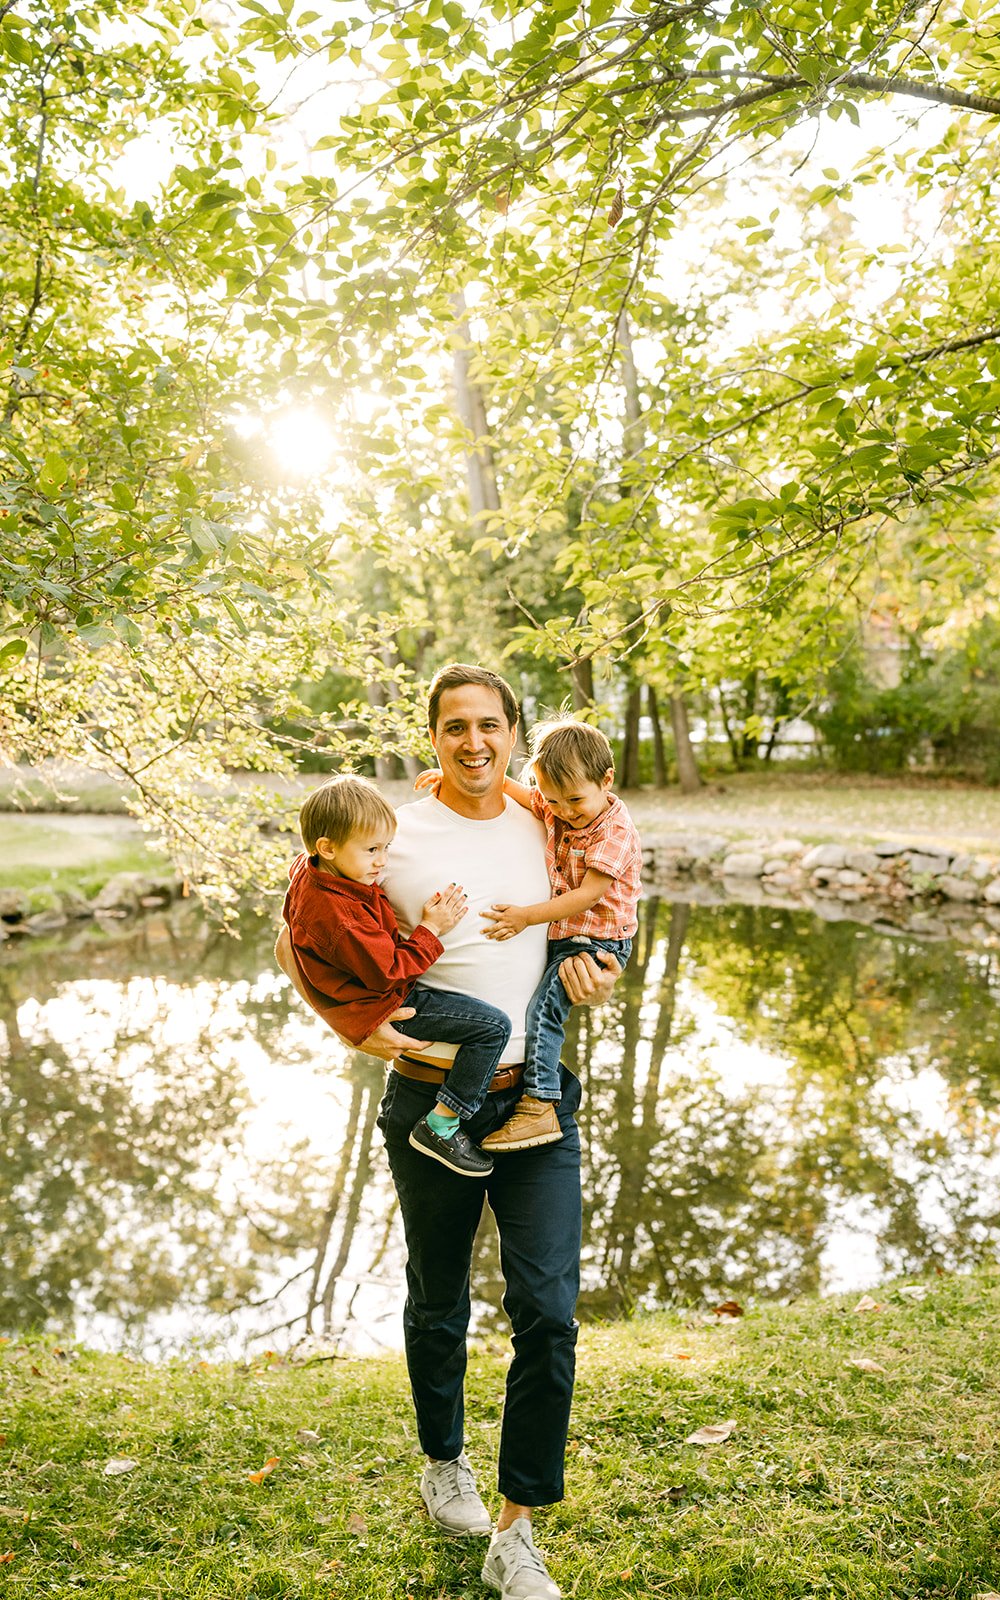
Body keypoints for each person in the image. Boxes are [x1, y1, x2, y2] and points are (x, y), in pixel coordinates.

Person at [275, 663, 621, 1600]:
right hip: (427, 1100)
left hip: (535, 1102)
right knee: (437, 1300)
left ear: (516, 733)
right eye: (455, 726)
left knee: (547, 1313)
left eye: (490, 726)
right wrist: (351, 1026)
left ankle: (518, 1530)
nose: (474, 742)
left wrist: (597, 969)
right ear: (431, 736)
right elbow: (295, 937)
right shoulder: (387, 831)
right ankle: (443, 1462)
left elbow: (604, 903)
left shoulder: (545, 818)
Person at [415, 718, 641, 1155]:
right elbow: (523, 794)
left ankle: (540, 1102)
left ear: (606, 780)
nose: (563, 811)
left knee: (543, 1012)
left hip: (597, 940)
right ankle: (537, 1099)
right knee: (544, 1006)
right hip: (571, 936)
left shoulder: (613, 831)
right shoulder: (558, 804)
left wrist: (525, 917)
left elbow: (587, 895)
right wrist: (455, 777)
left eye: (574, 800)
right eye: (554, 801)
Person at [282, 774, 512, 1178]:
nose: (382, 861)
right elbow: (388, 972)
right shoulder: (342, 919)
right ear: (327, 847)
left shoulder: (312, 869)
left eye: (387, 848)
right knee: (493, 1027)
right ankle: (442, 1124)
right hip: (389, 1002)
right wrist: (431, 928)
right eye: (372, 850)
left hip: (380, 989)